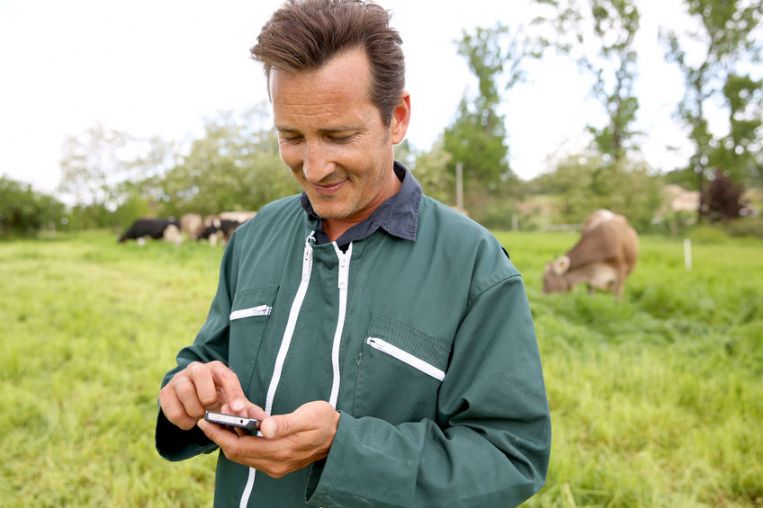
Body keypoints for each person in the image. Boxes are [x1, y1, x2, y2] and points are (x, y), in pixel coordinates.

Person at [155, 0, 551, 506]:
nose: (314, 166)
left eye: (339, 136)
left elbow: (511, 455)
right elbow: (206, 359)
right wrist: (187, 392)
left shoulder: (475, 266)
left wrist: (345, 448)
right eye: (291, 137)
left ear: (397, 118)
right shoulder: (254, 238)